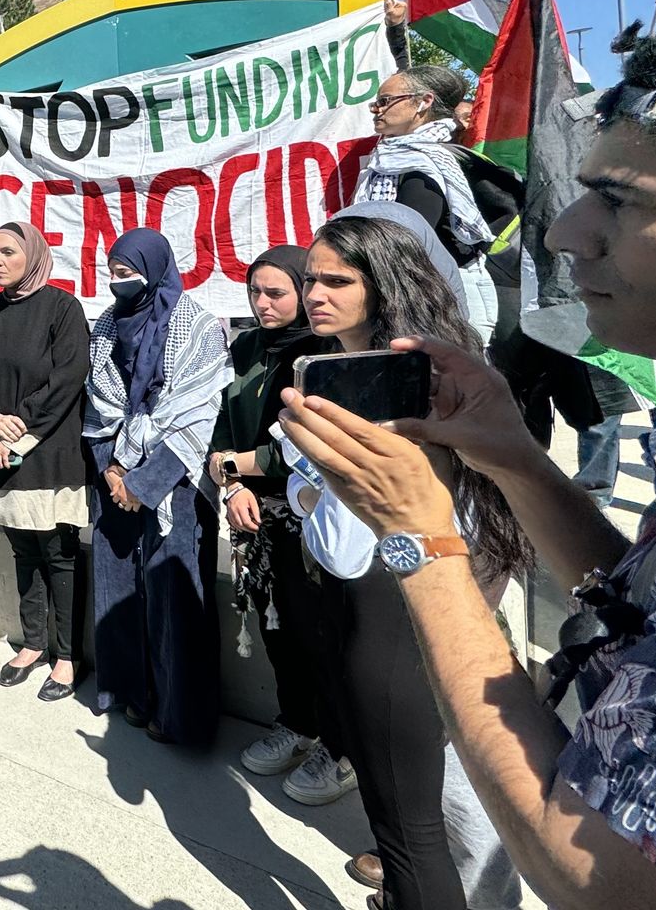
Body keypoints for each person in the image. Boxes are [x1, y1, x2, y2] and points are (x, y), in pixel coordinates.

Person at [280, 7, 656, 909]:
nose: (563, 234)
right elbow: (655, 604)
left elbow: (594, 874)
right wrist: (520, 463)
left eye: (621, 200)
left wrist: (420, 540)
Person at [287, 211, 530, 910]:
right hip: (431, 607)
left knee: (408, 835)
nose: (316, 293)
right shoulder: (431, 363)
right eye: (312, 278)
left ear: (382, 284)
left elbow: (339, 547)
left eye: (338, 279)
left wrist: (307, 483)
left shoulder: (377, 388)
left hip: (394, 622)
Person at [84, 230, 232, 744]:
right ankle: (133, 692)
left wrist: (145, 484)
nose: (119, 282)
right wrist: (113, 470)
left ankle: (178, 716)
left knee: (173, 598)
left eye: (129, 272)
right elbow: (101, 408)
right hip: (118, 476)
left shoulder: (197, 327)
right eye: (114, 272)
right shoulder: (105, 325)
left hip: (177, 484)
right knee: (118, 588)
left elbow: (198, 416)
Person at [206, 245, 335, 787]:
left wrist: (236, 464)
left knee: (317, 632)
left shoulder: (320, 354)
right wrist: (231, 481)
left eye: (276, 292)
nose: (262, 303)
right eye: (254, 292)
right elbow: (220, 423)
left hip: (310, 519)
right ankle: (297, 724)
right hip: (254, 515)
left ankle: (341, 746)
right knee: (275, 626)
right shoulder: (245, 348)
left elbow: (302, 445)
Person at [0, 222, 90, 701]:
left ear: (31, 255)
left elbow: (67, 378)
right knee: (23, 552)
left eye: (7, 252)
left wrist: (17, 433)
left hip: (47, 452)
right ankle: (33, 643)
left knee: (58, 555)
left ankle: (68, 656)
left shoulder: (61, 309)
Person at [359, 66, 509, 344]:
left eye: (385, 101)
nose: (376, 110)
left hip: (446, 304)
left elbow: (408, 238)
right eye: (375, 103)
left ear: (424, 102)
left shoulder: (426, 162)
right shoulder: (391, 159)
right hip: (417, 296)